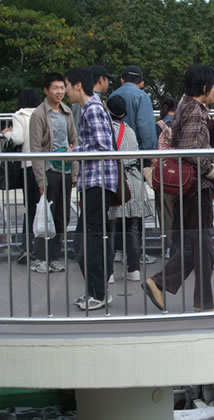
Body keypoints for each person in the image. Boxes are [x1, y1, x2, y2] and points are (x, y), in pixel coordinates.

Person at [143, 64, 214, 312]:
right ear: (203, 87)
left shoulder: (187, 106)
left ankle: (199, 300)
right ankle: (167, 285)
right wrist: (209, 168)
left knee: (196, 247)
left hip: (187, 186)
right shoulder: (194, 110)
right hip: (195, 186)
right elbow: (189, 149)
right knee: (203, 247)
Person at [65, 67, 117, 311]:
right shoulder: (94, 107)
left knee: (88, 239)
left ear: (77, 86)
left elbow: (102, 147)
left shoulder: (92, 109)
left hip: (98, 181)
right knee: (90, 238)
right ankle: (97, 291)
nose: (65, 92)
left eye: (66, 86)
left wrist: (75, 152)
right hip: (96, 182)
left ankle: (97, 293)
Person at [29, 73, 79, 274]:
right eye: (55, 88)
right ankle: (41, 257)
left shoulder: (67, 112)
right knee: (45, 216)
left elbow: (74, 143)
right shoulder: (39, 114)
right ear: (46, 90)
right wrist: (40, 178)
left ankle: (55, 256)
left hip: (65, 171)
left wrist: (74, 172)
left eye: (62, 87)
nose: (59, 92)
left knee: (61, 216)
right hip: (49, 170)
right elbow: (35, 148)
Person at [108, 65, 158, 264]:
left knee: (116, 208)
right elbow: (146, 128)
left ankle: (117, 251)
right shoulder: (142, 97)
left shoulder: (112, 96)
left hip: (113, 162)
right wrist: (149, 156)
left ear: (121, 80)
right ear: (142, 82)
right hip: (133, 161)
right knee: (134, 212)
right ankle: (136, 256)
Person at [106, 95, 154, 284]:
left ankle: (108, 272)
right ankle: (134, 269)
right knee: (132, 228)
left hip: (116, 182)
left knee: (110, 228)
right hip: (133, 181)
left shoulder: (107, 130)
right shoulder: (130, 131)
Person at [1, 88, 42, 265]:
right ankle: (45, 249)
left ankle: (27, 248)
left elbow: (17, 139)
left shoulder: (20, 115)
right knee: (46, 207)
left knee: (31, 209)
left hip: (29, 165)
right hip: (46, 165)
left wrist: (6, 133)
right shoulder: (44, 113)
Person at [150, 96, 179, 261]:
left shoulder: (158, 126)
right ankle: (181, 245)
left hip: (163, 174)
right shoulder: (181, 124)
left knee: (165, 211)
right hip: (182, 173)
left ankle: (169, 246)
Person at [72, 65, 114, 130]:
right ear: (101, 79)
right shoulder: (94, 99)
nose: (108, 84)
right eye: (107, 80)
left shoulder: (79, 96)